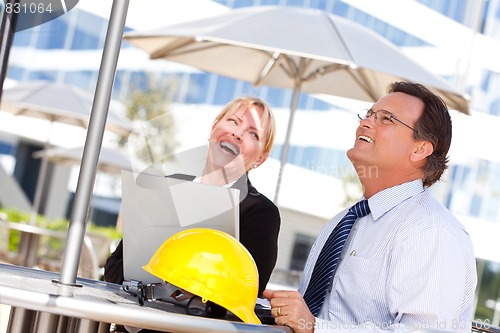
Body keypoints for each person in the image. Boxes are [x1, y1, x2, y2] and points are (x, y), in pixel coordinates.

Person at [263, 81, 477, 333]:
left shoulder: (431, 231)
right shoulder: (344, 221)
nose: (365, 123)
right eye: (368, 115)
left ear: (420, 149)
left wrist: (315, 327)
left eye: (386, 119)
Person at [104, 96, 280, 299]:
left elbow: (248, 295)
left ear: (260, 158)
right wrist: (155, 290)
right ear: (214, 127)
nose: (237, 133)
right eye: (233, 121)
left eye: (253, 134)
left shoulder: (260, 213)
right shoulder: (165, 187)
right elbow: (116, 265)